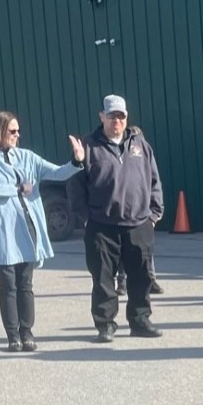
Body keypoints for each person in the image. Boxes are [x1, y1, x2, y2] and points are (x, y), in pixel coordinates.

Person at [70, 94, 165, 343]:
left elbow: (154, 180)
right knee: (103, 278)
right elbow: (75, 186)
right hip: (102, 226)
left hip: (138, 223)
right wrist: (86, 219)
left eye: (121, 116)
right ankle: (105, 324)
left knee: (141, 276)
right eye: (112, 116)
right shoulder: (88, 146)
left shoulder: (140, 145)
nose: (117, 121)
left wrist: (154, 215)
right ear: (102, 116)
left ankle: (140, 320)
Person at [0, 111, 64, 352]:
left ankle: (27, 332)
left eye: (18, 131)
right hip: (1, 233)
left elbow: (56, 172)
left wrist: (77, 162)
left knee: (25, 284)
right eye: (12, 131)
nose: (17, 135)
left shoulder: (26, 157)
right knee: (7, 284)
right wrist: (18, 188)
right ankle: (13, 336)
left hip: (26, 231)